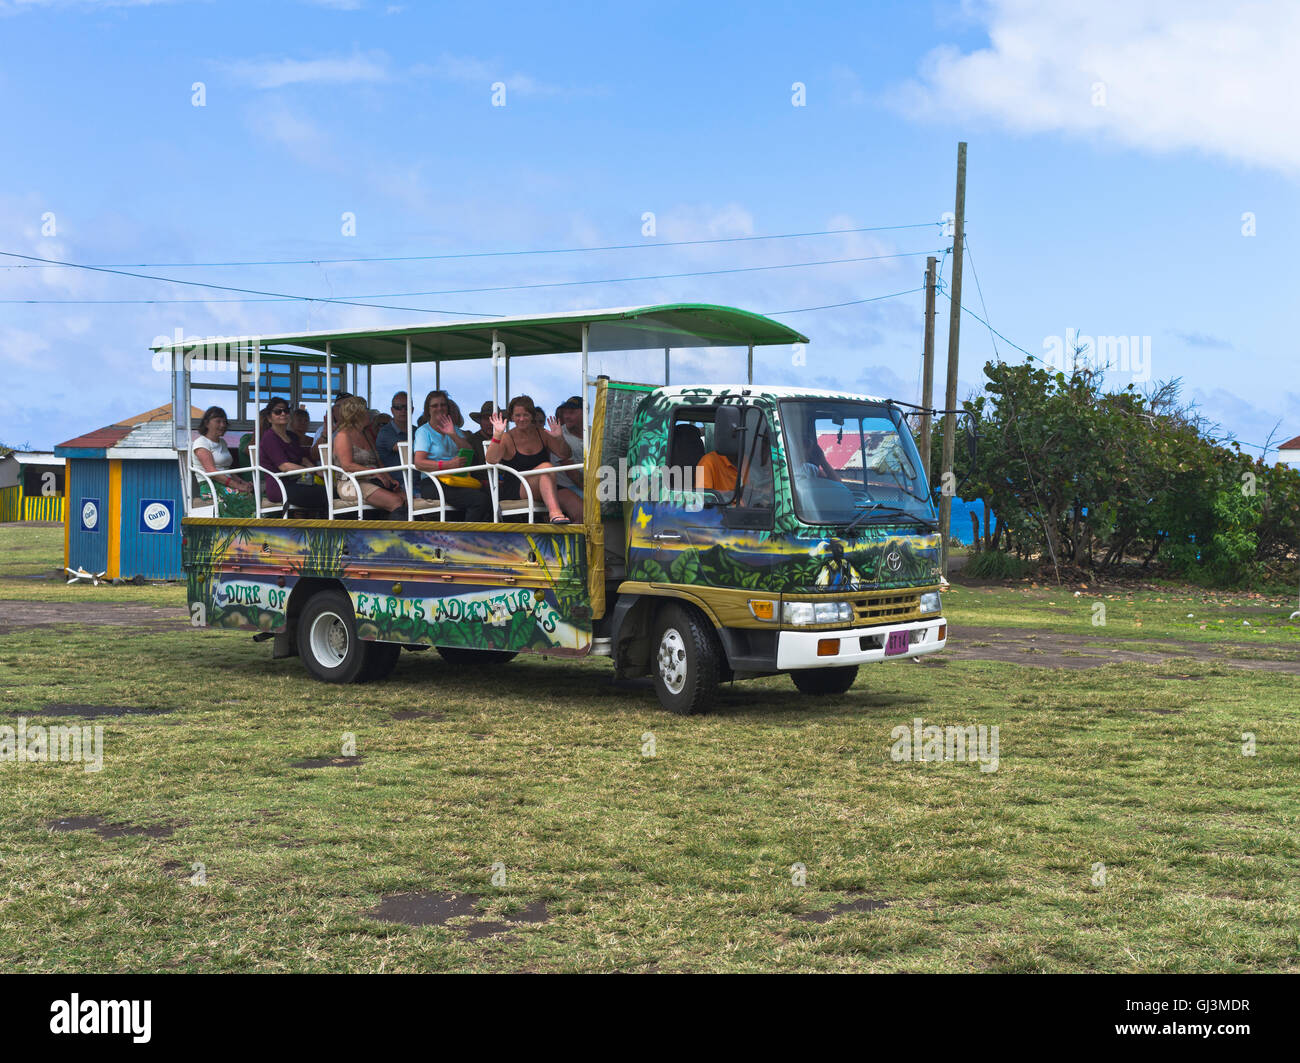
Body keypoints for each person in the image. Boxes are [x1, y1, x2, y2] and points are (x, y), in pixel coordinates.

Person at [486, 395, 578, 523]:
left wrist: (559, 438)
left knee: (579, 508)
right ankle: (555, 514)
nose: (522, 419)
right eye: (518, 415)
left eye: (526, 415)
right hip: (517, 487)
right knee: (546, 467)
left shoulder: (542, 433)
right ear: (512, 417)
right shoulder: (507, 437)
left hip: (547, 486)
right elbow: (491, 460)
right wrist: (497, 435)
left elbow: (564, 454)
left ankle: (575, 542)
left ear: (532, 416)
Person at [412, 390, 492, 521]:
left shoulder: (452, 428)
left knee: (489, 494)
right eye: (435, 405)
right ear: (428, 410)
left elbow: (469, 451)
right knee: (479, 500)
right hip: (433, 482)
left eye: (443, 405)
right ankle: (467, 537)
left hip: (456, 480)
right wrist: (447, 465)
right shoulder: (423, 431)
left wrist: (452, 434)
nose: (439, 408)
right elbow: (419, 462)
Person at [333, 396, 408, 519]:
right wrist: (373, 473)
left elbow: (378, 462)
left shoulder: (366, 434)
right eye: (366, 409)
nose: (369, 412)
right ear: (357, 413)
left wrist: (389, 479)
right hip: (351, 483)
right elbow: (347, 465)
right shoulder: (343, 435)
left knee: (406, 498)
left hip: (373, 481)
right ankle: (393, 537)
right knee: (396, 501)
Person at [259, 399, 328, 514]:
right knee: (325, 494)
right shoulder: (269, 437)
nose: (283, 414)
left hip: (297, 483)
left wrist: (317, 471)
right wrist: (311, 470)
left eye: (286, 411)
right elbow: (284, 466)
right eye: (277, 412)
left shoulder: (292, 436)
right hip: (279, 486)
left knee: (331, 491)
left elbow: (302, 459)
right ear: (269, 418)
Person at [192, 406, 255, 517]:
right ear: (206, 423)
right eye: (218, 421)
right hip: (211, 485)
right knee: (245, 499)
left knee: (253, 494)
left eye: (224, 422)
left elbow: (226, 469)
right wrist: (237, 486)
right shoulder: (201, 443)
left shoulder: (222, 442)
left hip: (225, 482)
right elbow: (212, 472)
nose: (223, 425)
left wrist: (242, 482)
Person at [550, 396, 585, 507]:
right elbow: (573, 475)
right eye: (565, 413)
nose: (566, 416)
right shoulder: (558, 435)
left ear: (585, 412)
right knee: (598, 506)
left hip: (594, 486)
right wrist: (594, 492)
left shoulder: (594, 432)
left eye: (571, 412)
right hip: (568, 488)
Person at [375, 390, 409, 471]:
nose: (403, 411)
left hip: (418, 478)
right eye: (398, 407)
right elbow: (403, 448)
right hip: (396, 481)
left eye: (406, 407)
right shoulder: (385, 432)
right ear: (392, 410)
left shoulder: (417, 431)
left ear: (412, 409)